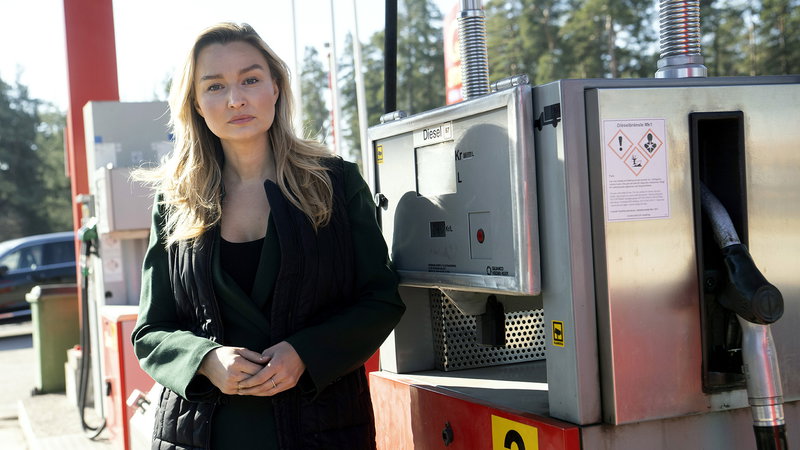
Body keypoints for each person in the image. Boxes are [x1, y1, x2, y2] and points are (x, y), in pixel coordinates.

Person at [131, 22, 405, 450]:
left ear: (275, 88)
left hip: (320, 431)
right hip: (204, 436)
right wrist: (204, 360)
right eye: (215, 86)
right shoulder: (176, 201)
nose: (236, 99)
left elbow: (381, 298)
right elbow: (151, 331)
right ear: (198, 105)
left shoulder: (335, 183)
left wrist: (305, 354)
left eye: (250, 79)